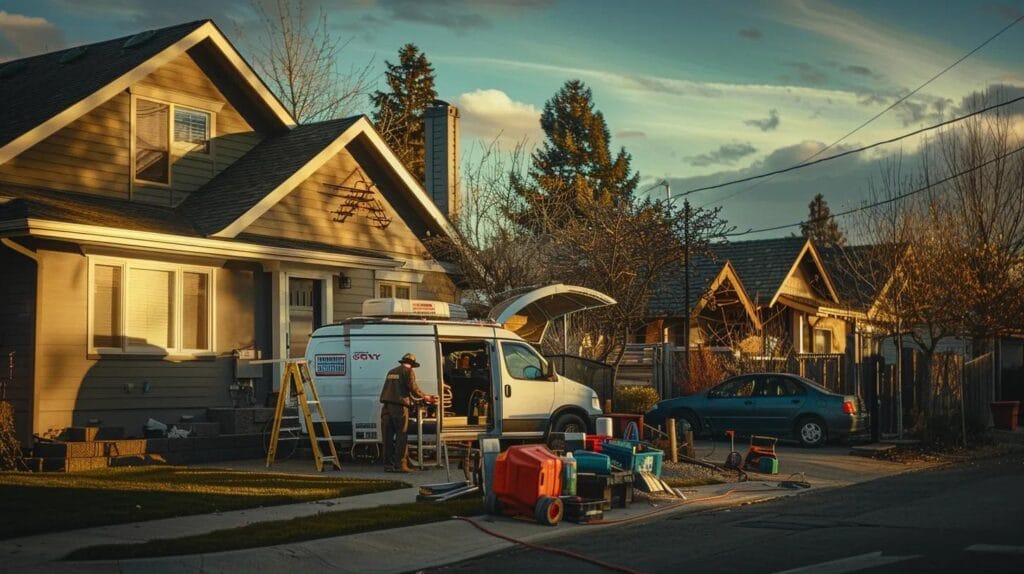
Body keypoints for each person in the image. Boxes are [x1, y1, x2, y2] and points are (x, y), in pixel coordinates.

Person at [379, 352, 430, 473]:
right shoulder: (408, 372)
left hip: (386, 407)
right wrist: (425, 397)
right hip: (399, 408)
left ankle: (388, 465)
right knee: (402, 435)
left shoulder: (391, 371)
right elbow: (413, 388)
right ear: (412, 364)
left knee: (387, 437)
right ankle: (401, 465)